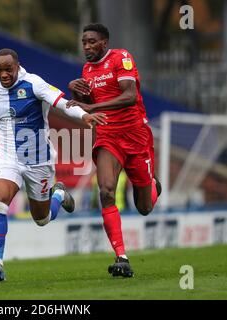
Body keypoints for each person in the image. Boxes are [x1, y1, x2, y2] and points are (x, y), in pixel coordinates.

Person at [0, 48, 107, 282]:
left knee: (42, 219)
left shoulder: (34, 84)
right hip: (8, 157)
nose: (3, 74)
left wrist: (83, 115)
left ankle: (58, 195)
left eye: (8, 69)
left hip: (39, 161)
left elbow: (62, 103)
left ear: (17, 66)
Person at [67, 24, 162, 278]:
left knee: (144, 207)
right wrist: (77, 93)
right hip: (108, 136)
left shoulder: (122, 58)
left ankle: (152, 188)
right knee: (106, 191)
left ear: (104, 43)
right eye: (84, 42)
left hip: (135, 135)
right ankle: (122, 257)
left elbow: (130, 96)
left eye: (91, 42)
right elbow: (91, 104)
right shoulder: (87, 70)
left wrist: (93, 108)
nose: (86, 46)